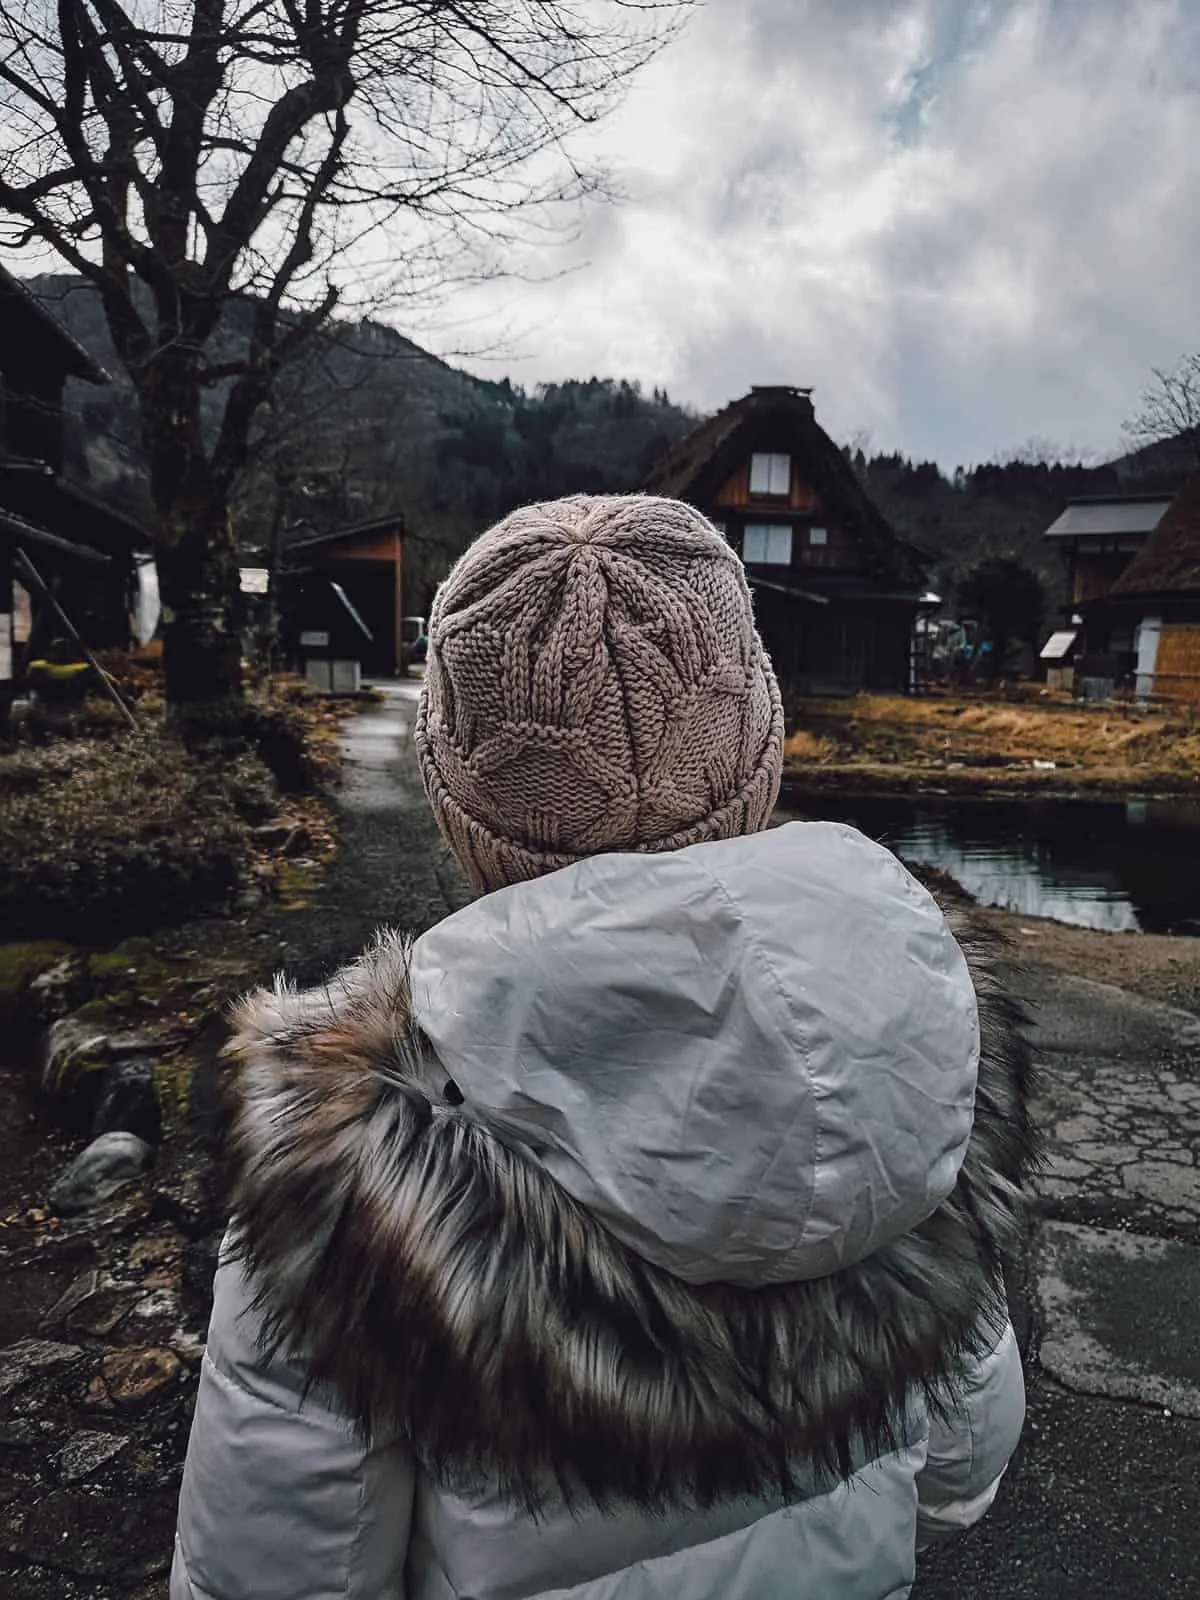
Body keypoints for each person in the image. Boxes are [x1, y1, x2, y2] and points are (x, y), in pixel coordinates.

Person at [171, 494, 1034, 1600]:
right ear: (754, 751)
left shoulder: (349, 1158)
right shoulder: (903, 1032)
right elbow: (964, 1464)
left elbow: (276, 1566)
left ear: (464, 803)